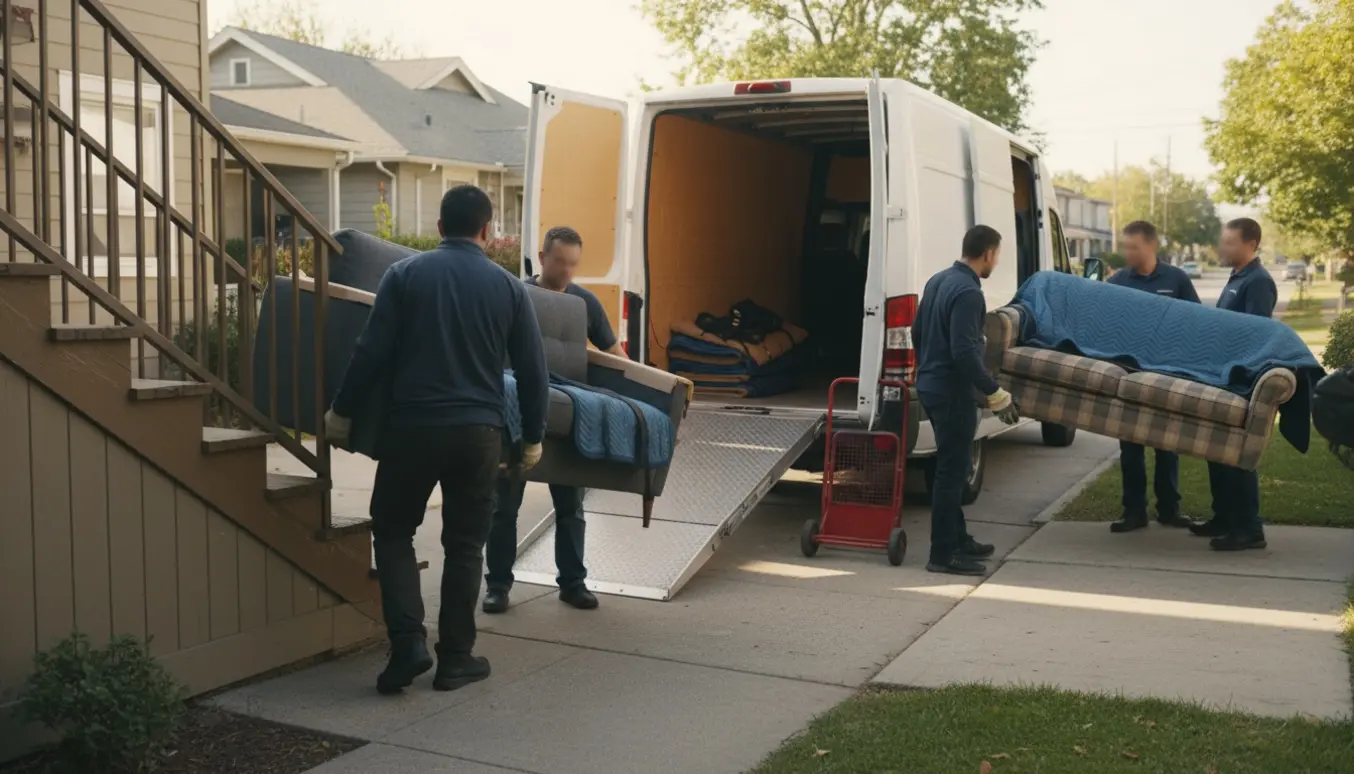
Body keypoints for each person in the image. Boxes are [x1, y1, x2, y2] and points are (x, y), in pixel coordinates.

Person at [324, 185, 549, 695]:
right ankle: (456, 659)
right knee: (466, 545)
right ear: (488, 232)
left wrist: (342, 410)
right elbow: (535, 373)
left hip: (412, 429)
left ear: (440, 228)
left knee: (394, 529)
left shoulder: (405, 275)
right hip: (479, 434)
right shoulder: (509, 288)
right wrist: (531, 438)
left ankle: (407, 644)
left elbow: (370, 351)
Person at [483, 226, 620, 614]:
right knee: (504, 506)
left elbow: (615, 353)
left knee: (571, 508)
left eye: (573, 264)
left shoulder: (584, 303)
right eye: (559, 262)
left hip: (570, 418)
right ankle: (497, 586)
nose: (566, 271)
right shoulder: (516, 295)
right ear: (541, 257)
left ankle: (573, 584)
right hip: (518, 415)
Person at [913, 225, 1021, 576]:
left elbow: (917, 332)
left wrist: (929, 365)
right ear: (988, 253)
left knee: (954, 466)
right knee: (950, 472)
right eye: (997, 255)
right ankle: (943, 554)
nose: (996, 261)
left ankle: (957, 537)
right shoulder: (970, 293)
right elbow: (963, 351)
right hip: (950, 391)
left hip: (930, 384)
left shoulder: (938, 280)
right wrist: (994, 390)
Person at [1105, 221, 1201, 533]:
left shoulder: (1177, 279)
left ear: (1152, 245)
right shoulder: (1118, 281)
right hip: (1130, 375)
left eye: (1133, 247)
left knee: (1166, 445)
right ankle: (1134, 512)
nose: (1127, 253)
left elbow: (1195, 321)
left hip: (1167, 373)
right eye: (1125, 247)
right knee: (1130, 447)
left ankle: (1169, 510)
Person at [1192, 217, 1277, 551]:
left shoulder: (1257, 282)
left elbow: (1255, 337)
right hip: (1221, 376)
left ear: (1250, 244)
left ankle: (1250, 529)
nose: (1223, 247)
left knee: (1237, 454)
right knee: (1217, 450)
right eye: (1223, 241)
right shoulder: (1237, 276)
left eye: (1230, 242)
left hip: (1239, 381)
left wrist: (1233, 372)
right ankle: (1224, 517)